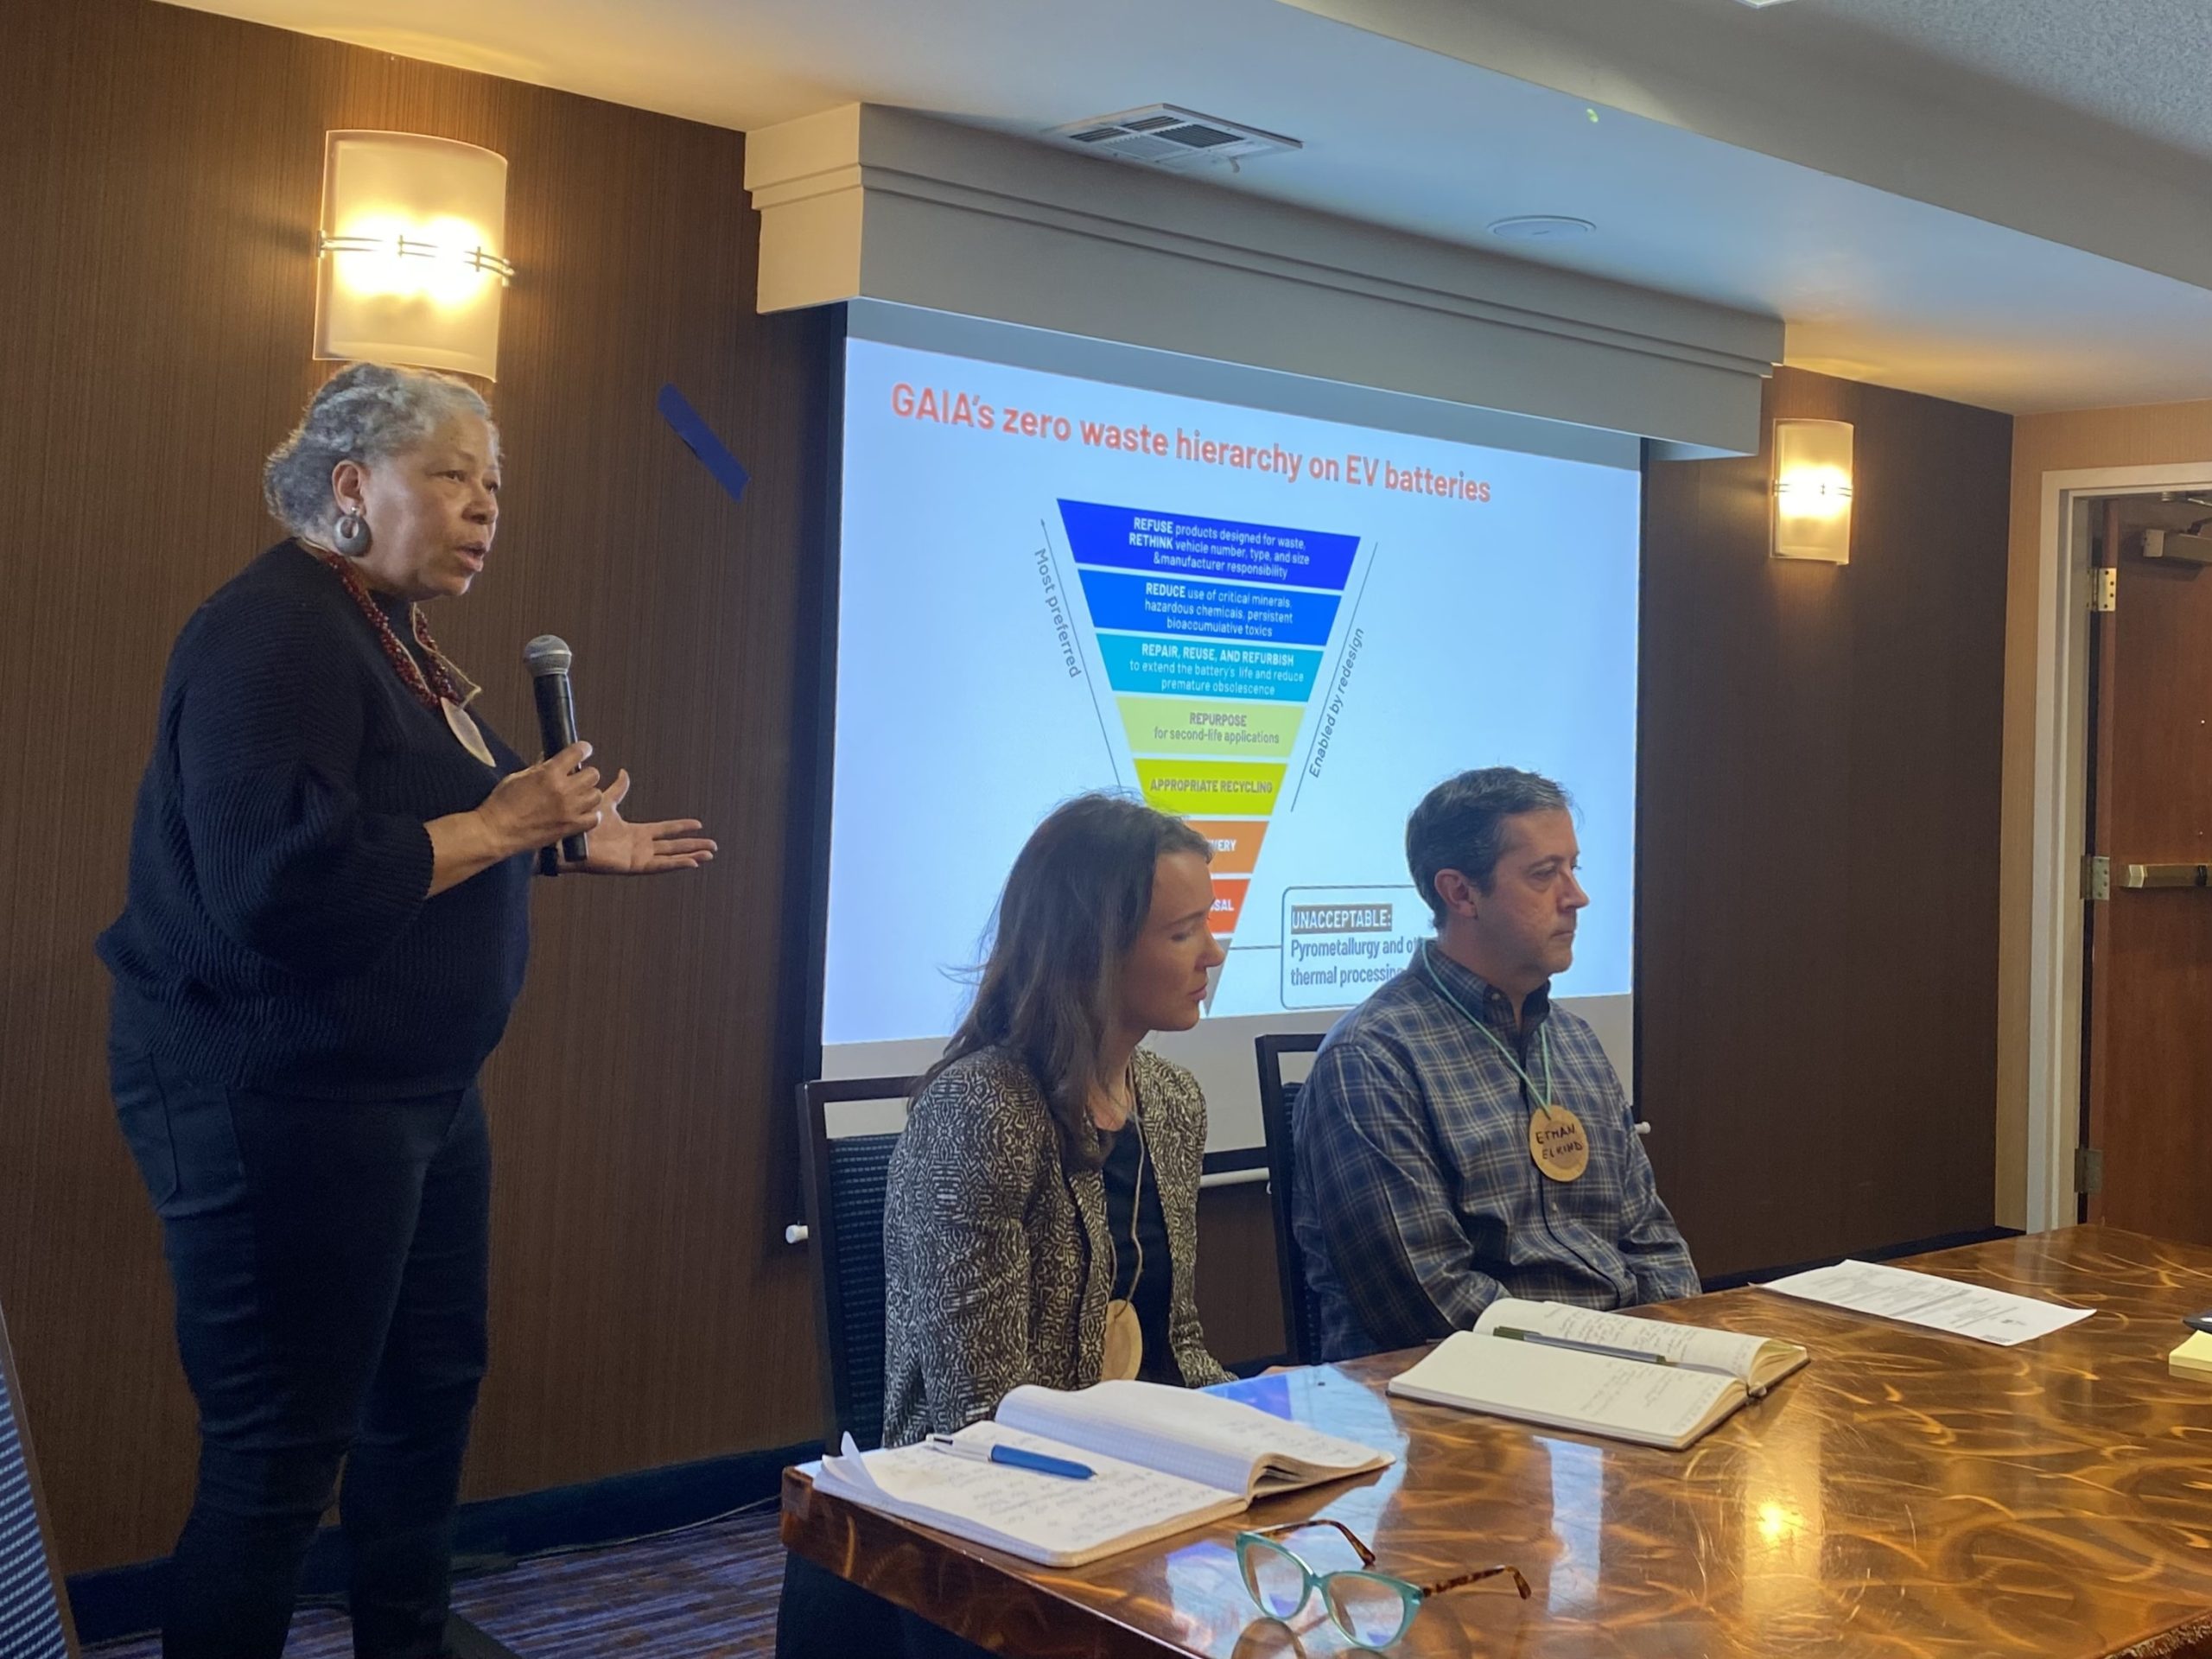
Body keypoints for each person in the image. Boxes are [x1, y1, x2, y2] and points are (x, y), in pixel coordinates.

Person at [98, 362, 715, 1659]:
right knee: (279, 1453)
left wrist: (559, 843)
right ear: (351, 485)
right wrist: (501, 824)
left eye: (493, 485)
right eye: (451, 476)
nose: (485, 507)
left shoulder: (382, 630)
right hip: (277, 1097)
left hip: (413, 1096)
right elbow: (277, 885)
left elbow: (413, 823)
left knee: (422, 1407)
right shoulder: (272, 632)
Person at [777, 792, 1235, 1659]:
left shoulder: (1173, 1101)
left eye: (1207, 924)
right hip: (983, 1530)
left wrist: (1254, 1429)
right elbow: (981, 1412)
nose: (1213, 952)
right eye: (1183, 933)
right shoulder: (980, 1110)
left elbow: (1178, 1346)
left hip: (1146, 1494)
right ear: (1091, 950)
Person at [1291, 767, 1697, 1362]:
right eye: (1544, 874)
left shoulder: (1576, 1042)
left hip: (1626, 1369)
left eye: (1573, 868)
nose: (1576, 897)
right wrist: (1614, 1357)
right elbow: (1427, 1304)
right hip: (1465, 1396)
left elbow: (1653, 1242)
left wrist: (1676, 1347)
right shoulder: (1371, 1060)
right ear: (1460, 894)